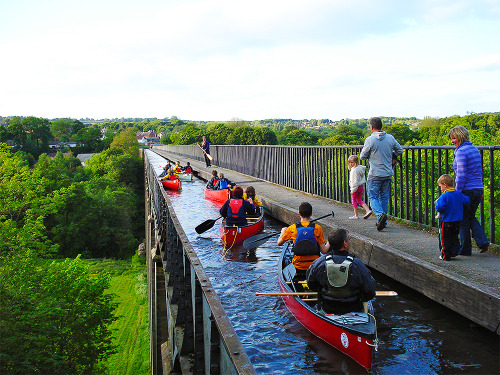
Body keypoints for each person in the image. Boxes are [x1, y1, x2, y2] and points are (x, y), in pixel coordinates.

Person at [306, 228, 376, 315]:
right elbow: (370, 291)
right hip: (353, 309)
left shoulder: (318, 263)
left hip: (327, 309)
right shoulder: (358, 265)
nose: (350, 242)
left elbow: (311, 285)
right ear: (345, 244)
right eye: (349, 239)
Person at [448, 125, 490, 255]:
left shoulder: (461, 152)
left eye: (453, 138)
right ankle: (483, 242)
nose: (452, 141)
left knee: (463, 219)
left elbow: (461, 174)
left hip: (466, 189)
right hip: (478, 189)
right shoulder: (474, 149)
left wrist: (457, 192)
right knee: (470, 216)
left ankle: (465, 249)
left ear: (459, 137)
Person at [360, 117, 403, 231]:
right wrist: (390, 155)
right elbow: (400, 150)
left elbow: (362, 156)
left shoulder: (370, 140)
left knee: (372, 196)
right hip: (387, 172)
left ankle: (380, 215)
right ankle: (382, 222)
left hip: (375, 173)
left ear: (372, 127)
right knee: (384, 197)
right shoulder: (390, 138)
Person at [277, 202, 329, 279]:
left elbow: (279, 243)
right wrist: (329, 242)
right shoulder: (317, 228)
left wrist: (283, 232)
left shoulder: (292, 228)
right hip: (314, 266)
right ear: (311, 213)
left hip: (298, 267)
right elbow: (324, 251)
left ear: (299, 213)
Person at [435, 174, 470, 261]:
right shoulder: (458, 194)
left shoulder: (444, 196)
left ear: (445, 185)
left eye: (440, 186)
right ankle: (453, 252)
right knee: (454, 237)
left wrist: (437, 206)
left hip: (446, 221)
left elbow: (440, 207)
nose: (440, 188)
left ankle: (445, 255)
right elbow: (467, 200)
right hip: (457, 221)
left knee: (444, 239)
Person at [347, 155, 372, 220]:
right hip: (361, 186)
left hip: (356, 187)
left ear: (356, 162)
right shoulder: (360, 169)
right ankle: (368, 210)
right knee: (359, 200)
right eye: (350, 162)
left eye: (352, 162)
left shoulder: (354, 171)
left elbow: (354, 182)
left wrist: (352, 190)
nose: (351, 164)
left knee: (354, 201)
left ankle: (356, 215)